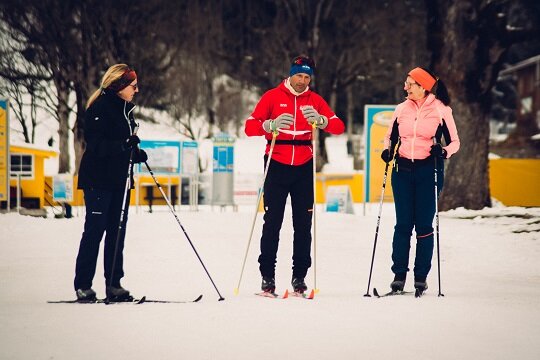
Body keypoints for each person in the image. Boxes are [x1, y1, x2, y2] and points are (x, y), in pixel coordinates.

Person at [244, 55, 345, 293]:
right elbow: (249, 127)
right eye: (299, 75)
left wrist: (321, 121)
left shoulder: (315, 100)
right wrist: (269, 125)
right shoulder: (272, 96)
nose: (302, 80)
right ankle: (267, 277)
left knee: (303, 225)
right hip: (276, 163)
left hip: (303, 166)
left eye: (306, 76)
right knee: (272, 223)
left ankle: (299, 277)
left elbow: (339, 126)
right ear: (290, 75)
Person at [381, 67, 460, 293]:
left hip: (429, 170)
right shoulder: (401, 109)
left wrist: (443, 152)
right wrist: (388, 151)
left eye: (410, 84)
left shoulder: (441, 110)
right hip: (402, 170)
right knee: (403, 224)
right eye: (406, 83)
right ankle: (398, 275)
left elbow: (455, 142)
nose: (405, 87)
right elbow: (390, 137)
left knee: (424, 225)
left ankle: (421, 276)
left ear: (423, 87)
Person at [74, 64, 147, 301]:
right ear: (119, 86)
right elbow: (97, 145)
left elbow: (122, 143)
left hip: (120, 180)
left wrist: (134, 152)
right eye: (132, 86)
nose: (136, 90)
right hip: (99, 180)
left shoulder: (126, 110)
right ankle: (83, 284)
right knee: (95, 231)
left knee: (117, 233)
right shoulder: (100, 108)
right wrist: (123, 145)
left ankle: (114, 283)